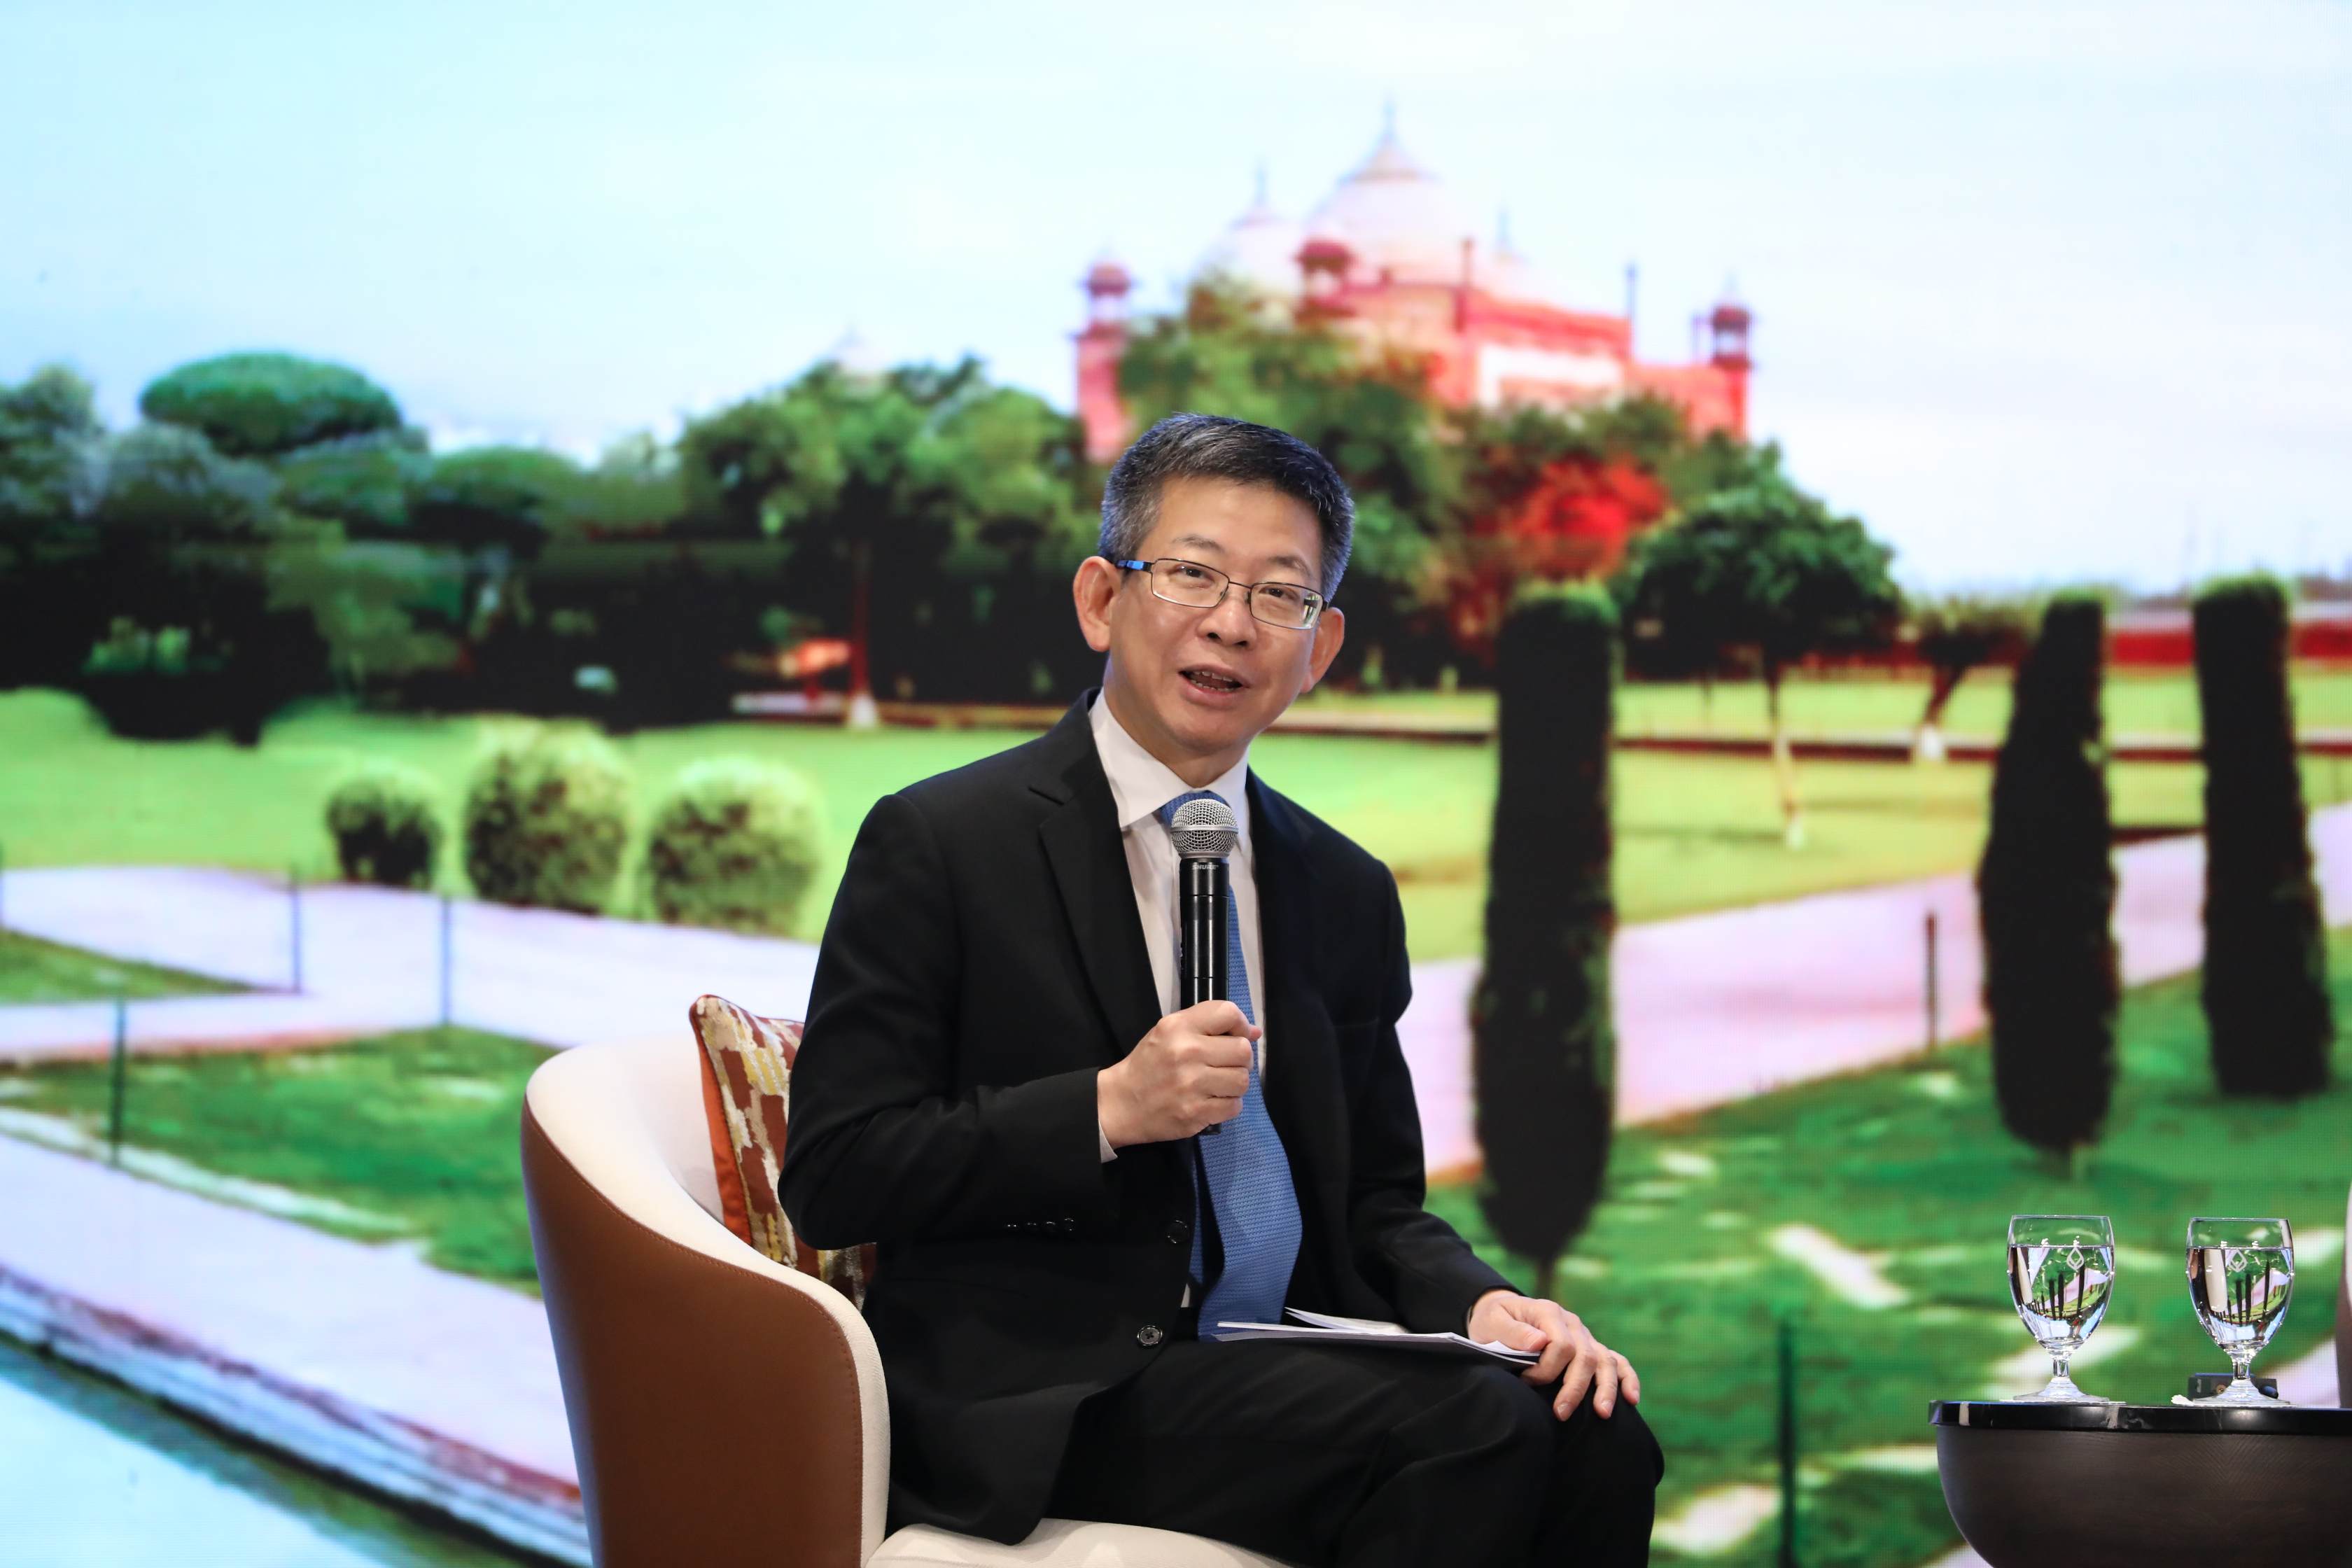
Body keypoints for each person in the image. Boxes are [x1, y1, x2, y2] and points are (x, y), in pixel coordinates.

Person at [780, 414, 1660, 1567]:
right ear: (1103, 599)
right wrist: (1108, 1109)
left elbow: (1374, 1205)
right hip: (1047, 1391)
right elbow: (837, 1171)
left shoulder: (1343, 887)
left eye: (1280, 595)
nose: (1232, 624)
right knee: (1468, 1431)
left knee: (1600, 1433)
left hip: (1281, 1352)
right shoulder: (943, 842)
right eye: (1192, 574)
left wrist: (1480, 1306)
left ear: (1321, 647)